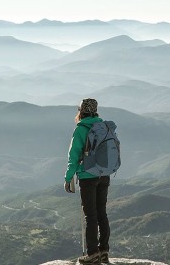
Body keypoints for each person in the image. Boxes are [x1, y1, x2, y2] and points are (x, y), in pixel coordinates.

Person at [64, 98, 111, 264]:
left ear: (81, 112)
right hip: (104, 174)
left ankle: (92, 254)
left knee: (90, 215)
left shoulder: (81, 129)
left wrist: (68, 177)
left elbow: (74, 156)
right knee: (101, 213)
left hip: (87, 177)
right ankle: (104, 251)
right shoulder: (104, 126)